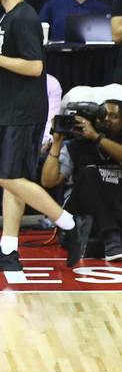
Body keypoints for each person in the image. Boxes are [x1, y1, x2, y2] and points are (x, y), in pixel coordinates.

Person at [0, 0, 90, 270]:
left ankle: (68, 224)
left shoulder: (24, 18)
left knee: (8, 178)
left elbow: (36, 67)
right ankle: (8, 251)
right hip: (12, 108)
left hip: (25, 110)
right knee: (14, 180)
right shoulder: (7, 18)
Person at [42, 100, 122, 262]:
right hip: (84, 214)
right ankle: (110, 237)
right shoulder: (75, 147)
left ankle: (107, 240)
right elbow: (47, 181)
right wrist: (57, 142)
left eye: (113, 116)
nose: (106, 119)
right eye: (102, 115)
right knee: (89, 173)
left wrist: (97, 137)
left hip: (116, 211)